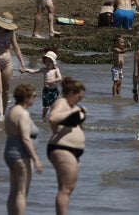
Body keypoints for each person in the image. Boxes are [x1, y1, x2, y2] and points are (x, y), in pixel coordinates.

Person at [47, 77, 86, 215]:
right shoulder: (62, 102)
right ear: (71, 93)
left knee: (67, 188)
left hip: (72, 150)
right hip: (62, 148)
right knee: (65, 189)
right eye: (79, 96)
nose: (80, 99)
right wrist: (73, 112)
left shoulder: (72, 105)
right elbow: (52, 118)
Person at [4, 83, 43, 215]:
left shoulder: (10, 111)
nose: (35, 98)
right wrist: (36, 159)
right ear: (26, 97)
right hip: (21, 155)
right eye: (34, 96)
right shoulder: (23, 114)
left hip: (9, 153)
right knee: (21, 193)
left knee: (13, 191)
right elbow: (26, 139)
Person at [24, 51, 62, 119]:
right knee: (46, 106)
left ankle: (51, 116)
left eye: (49, 61)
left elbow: (60, 78)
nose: (47, 63)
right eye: (46, 61)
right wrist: (26, 70)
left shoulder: (56, 70)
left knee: (53, 105)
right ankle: (43, 117)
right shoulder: (44, 69)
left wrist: (52, 81)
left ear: (53, 62)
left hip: (54, 90)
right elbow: (34, 71)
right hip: (46, 90)